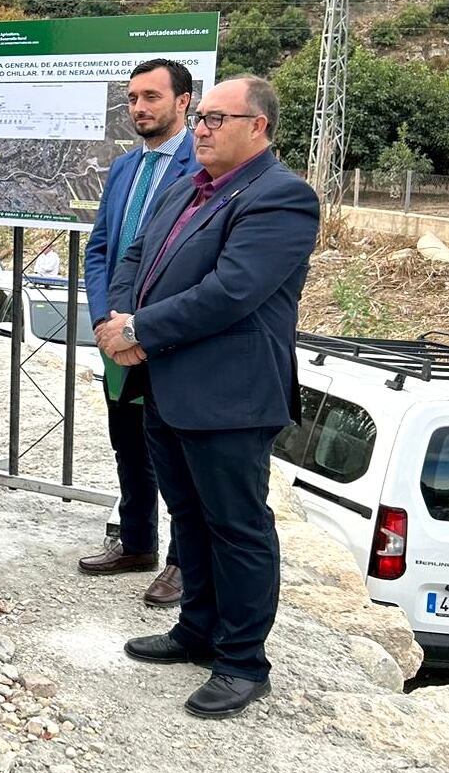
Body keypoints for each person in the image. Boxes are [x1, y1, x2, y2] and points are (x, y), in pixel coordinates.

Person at [100, 76, 319, 719]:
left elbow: (232, 291)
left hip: (229, 394)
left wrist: (140, 330)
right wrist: (120, 321)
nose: (202, 127)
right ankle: (196, 630)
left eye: (219, 119)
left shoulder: (282, 198)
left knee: (238, 526)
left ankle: (243, 660)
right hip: (166, 384)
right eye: (202, 118)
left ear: (259, 127)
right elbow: (133, 257)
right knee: (189, 517)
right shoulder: (186, 188)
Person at [78, 58, 196, 607]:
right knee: (128, 443)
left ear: (184, 102)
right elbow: (100, 247)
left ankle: (183, 562)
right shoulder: (125, 168)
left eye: (151, 96)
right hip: (116, 337)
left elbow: (195, 265)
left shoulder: (205, 166)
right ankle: (138, 541)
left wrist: (143, 328)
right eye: (132, 98)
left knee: (176, 451)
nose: (139, 108)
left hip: (170, 338)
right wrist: (105, 319)